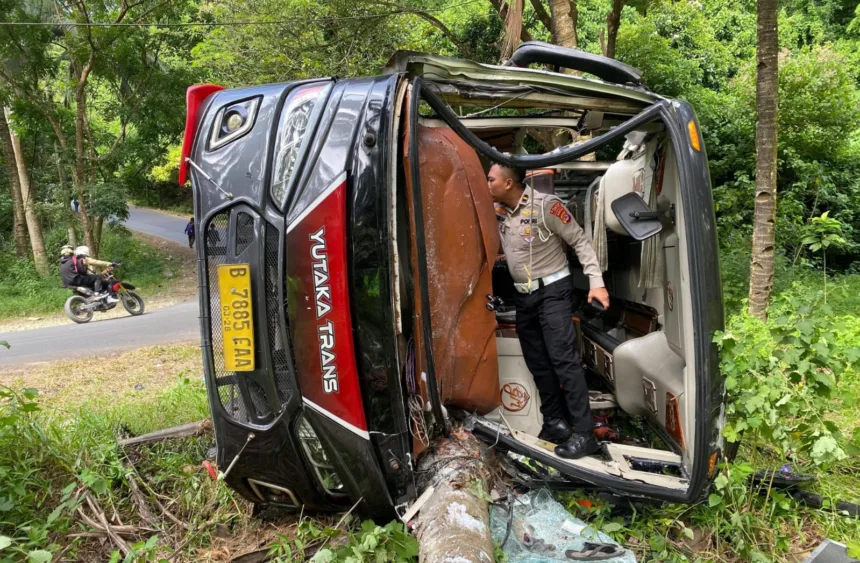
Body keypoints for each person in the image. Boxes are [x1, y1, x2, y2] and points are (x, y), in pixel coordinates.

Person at [488, 162, 610, 460]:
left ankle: (584, 434)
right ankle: (555, 423)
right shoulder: (499, 211)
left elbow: (579, 241)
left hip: (554, 292)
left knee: (563, 360)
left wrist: (596, 282)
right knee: (538, 362)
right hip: (524, 297)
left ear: (508, 183)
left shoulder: (547, 206)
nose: (486, 183)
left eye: (490, 178)